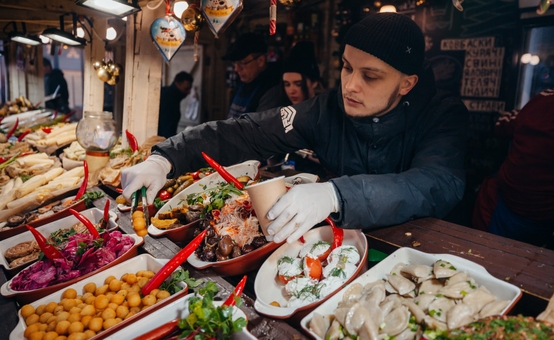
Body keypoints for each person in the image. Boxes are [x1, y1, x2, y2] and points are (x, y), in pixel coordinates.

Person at [122, 12, 468, 245]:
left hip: (419, 252)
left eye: (370, 76)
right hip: (337, 247)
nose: (350, 85)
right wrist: (165, 159)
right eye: (347, 68)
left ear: (407, 84)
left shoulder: (442, 113)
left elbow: (438, 183)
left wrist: (335, 195)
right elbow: (245, 132)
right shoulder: (327, 109)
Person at [472, 88, 554, 248]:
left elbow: (502, 126)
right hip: (515, 208)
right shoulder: (545, 101)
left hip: (506, 206)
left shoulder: (543, 100)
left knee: (482, 256)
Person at [258, 41, 328, 179]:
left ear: (314, 82)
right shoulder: (281, 109)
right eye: (287, 84)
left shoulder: (325, 112)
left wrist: (299, 149)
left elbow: (331, 158)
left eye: (298, 84)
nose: (292, 90)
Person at [223, 32, 281, 119]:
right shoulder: (242, 85)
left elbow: (262, 129)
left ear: (260, 61)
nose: (236, 69)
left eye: (242, 63)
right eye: (235, 63)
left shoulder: (271, 91)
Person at [158, 71, 193, 138]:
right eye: (186, 88)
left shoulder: (172, 96)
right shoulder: (169, 98)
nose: (189, 92)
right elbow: (166, 129)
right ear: (177, 84)